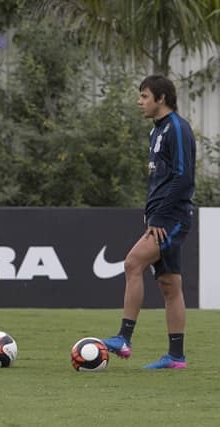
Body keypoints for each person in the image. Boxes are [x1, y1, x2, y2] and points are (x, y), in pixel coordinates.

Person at [103, 74, 196, 369]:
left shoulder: (177, 129)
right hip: (158, 219)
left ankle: (124, 338)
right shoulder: (156, 132)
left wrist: (159, 215)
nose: (139, 102)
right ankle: (176, 357)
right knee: (170, 286)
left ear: (161, 99)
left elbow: (183, 178)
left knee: (132, 263)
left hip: (171, 219)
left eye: (144, 96)